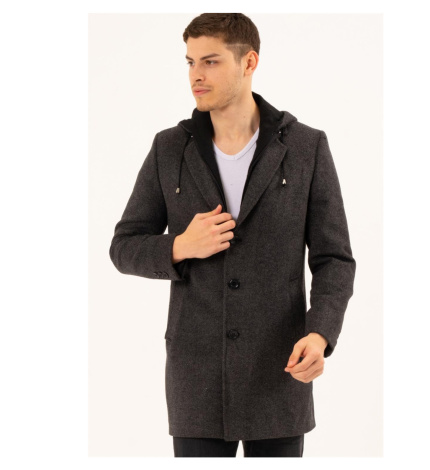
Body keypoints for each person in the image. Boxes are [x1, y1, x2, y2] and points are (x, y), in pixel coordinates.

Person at [109, 13, 356, 458]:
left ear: (249, 62)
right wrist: (180, 246)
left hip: (280, 370)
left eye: (211, 61)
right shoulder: (169, 148)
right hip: (196, 379)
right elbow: (123, 246)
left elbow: (334, 259)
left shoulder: (306, 147)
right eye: (190, 62)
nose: (196, 75)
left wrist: (320, 333)